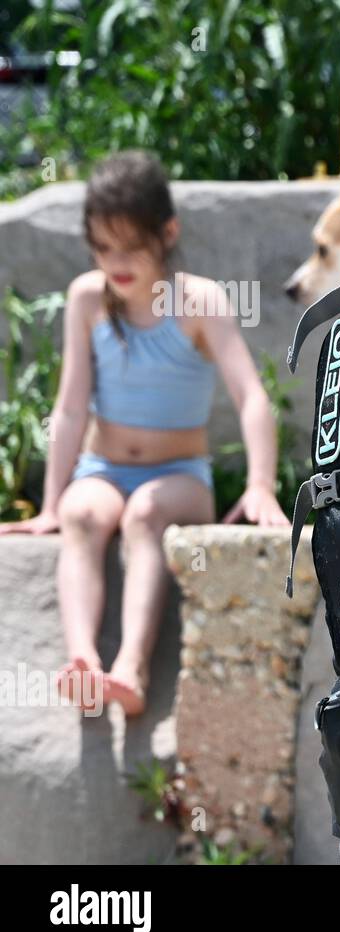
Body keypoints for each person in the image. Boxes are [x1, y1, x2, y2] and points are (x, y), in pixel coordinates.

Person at [0, 150, 289, 717]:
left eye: (130, 248)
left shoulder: (199, 302)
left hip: (178, 478)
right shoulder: (86, 300)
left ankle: (130, 666)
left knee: (144, 516)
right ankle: (83, 660)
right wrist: (53, 502)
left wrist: (259, 484)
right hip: (101, 470)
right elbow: (70, 408)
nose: (117, 263)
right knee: (84, 516)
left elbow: (251, 397)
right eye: (103, 249)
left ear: (168, 232)